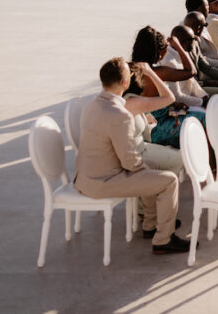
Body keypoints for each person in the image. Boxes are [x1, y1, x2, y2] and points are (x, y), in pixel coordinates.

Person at [74, 58, 188, 254]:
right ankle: (163, 239)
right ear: (126, 83)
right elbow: (130, 162)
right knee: (169, 181)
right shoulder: (120, 114)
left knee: (151, 166)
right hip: (104, 181)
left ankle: (151, 225)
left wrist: (147, 169)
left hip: (85, 178)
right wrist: (147, 172)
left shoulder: (90, 106)